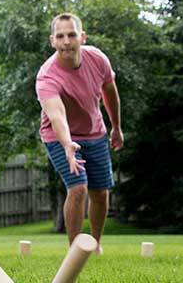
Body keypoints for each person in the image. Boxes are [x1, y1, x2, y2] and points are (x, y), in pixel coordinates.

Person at [36, 13, 124, 251]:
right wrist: (67, 144)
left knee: (100, 192)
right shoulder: (47, 76)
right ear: (52, 40)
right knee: (78, 187)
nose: (66, 41)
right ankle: (75, 249)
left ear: (82, 37)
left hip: (94, 132)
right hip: (58, 136)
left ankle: (95, 244)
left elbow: (110, 93)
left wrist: (116, 127)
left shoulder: (97, 59)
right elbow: (56, 116)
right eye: (61, 36)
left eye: (72, 35)